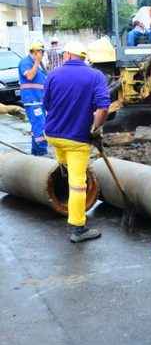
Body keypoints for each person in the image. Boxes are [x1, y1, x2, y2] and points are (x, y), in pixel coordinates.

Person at [43, 41, 111, 243]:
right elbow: (104, 108)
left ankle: (63, 181)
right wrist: (95, 128)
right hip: (76, 140)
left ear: (67, 55)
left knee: (65, 166)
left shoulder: (53, 75)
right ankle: (78, 227)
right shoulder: (95, 76)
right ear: (83, 57)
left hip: (53, 136)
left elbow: (47, 104)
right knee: (78, 185)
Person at [18, 41, 48, 156]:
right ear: (36, 52)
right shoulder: (25, 62)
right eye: (42, 52)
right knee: (40, 127)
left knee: (37, 126)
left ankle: (35, 153)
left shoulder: (37, 65)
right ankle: (42, 152)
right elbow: (29, 76)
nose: (43, 55)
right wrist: (37, 62)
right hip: (32, 101)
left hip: (39, 100)